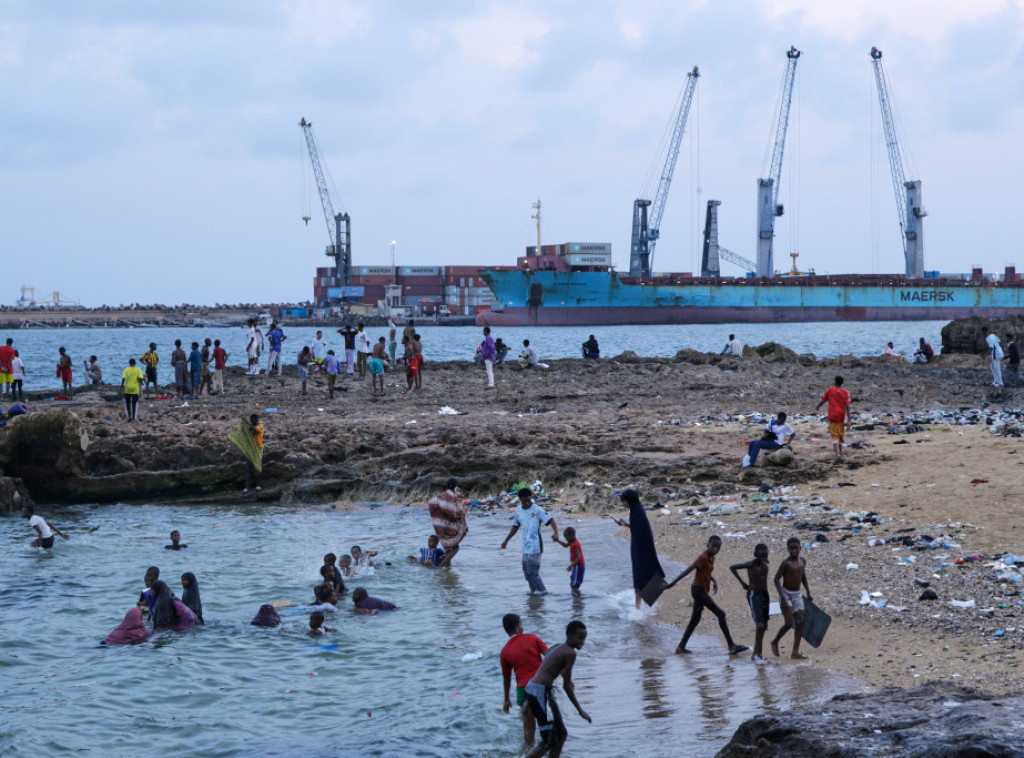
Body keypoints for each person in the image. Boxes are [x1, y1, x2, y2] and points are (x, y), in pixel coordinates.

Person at [665, 535, 748, 656]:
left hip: (701, 590)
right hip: (698, 591)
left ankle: (680, 647)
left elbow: (705, 571)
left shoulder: (711, 558)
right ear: (707, 545)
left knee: (695, 620)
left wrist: (713, 580)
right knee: (721, 614)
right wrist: (671, 584)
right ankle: (731, 646)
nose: (716, 549)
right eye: (713, 546)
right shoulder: (703, 557)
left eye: (718, 547)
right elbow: (689, 570)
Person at [523, 620, 592, 758]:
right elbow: (566, 686)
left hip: (537, 690)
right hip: (540, 692)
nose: (582, 642)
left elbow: (549, 665)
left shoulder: (557, 646)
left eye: (584, 639)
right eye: (579, 638)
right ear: (568, 635)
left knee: (561, 734)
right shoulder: (570, 653)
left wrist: (530, 699)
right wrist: (580, 710)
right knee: (549, 740)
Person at [500, 613, 548, 745]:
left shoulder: (505, 651)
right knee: (546, 724)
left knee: (528, 730)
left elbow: (507, 678)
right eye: (521, 624)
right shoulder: (532, 638)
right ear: (516, 627)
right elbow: (550, 657)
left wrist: (506, 699)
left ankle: (527, 752)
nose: (523, 627)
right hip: (540, 686)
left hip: (523, 690)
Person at [613, 489, 666, 608]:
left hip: (641, 547)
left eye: (624, 501)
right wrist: (625, 524)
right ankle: (640, 606)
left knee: (639, 576)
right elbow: (637, 527)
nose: (623, 504)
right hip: (639, 545)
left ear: (629, 500)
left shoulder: (638, 511)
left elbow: (641, 530)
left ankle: (638, 608)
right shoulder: (636, 509)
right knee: (641, 574)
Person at [501, 487, 559, 595]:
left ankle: (543, 593)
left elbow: (551, 520)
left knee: (533, 572)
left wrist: (556, 533)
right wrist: (506, 541)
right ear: (520, 499)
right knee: (527, 573)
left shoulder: (537, 510)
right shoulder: (518, 510)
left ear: (530, 497)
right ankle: (534, 594)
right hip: (525, 547)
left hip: (536, 546)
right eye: (524, 500)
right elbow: (515, 526)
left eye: (528, 500)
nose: (527, 503)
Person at [770, 537, 813, 660]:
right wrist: (782, 596)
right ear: (788, 549)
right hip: (786, 593)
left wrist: (808, 592)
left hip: (797, 593)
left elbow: (803, 576)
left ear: (800, 548)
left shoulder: (802, 561)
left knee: (800, 621)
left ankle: (795, 651)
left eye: (796, 548)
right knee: (789, 623)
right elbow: (776, 579)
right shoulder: (786, 563)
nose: (794, 550)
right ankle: (775, 641)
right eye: (791, 548)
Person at [730, 543, 771, 663]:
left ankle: (759, 653)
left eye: (765, 556)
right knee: (759, 625)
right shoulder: (751, 564)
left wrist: (764, 560)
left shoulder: (765, 563)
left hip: (765, 595)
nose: (763, 559)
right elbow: (732, 567)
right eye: (761, 557)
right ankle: (755, 655)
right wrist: (743, 583)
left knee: (764, 625)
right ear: (755, 555)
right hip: (754, 596)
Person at [427, 478, 468, 566]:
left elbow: (431, 502)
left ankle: (447, 570)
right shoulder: (454, 497)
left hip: (440, 527)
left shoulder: (441, 497)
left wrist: (440, 519)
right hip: (448, 528)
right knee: (455, 548)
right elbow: (456, 512)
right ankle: (441, 567)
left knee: (449, 550)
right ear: (456, 486)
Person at [816, 376, 852, 463]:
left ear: (835, 381)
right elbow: (847, 406)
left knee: (834, 435)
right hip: (841, 416)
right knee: (840, 435)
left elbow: (823, 400)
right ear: (842, 383)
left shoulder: (830, 390)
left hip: (833, 415)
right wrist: (849, 420)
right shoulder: (845, 392)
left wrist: (818, 406)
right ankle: (841, 454)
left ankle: (838, 455)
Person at [554, 527, 585, 596]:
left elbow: (578, 557)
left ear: (571, 536)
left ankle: (579, 598)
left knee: (574, 585)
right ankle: (575, 598)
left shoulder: (575, 545)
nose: (566, 539)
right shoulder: (572, 542)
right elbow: (565, 545)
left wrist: (572, 565)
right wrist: (557, 540)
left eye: (566, 538)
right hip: (576, 566)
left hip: (578, 566)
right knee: (572, 583)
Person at [120, 358, 144, 423]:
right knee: (134, 403)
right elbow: (140, 378)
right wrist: (141, 383)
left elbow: (123, 379)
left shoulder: (126, 369)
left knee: (127, 403)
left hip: (127, 388)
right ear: (135, 363)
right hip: (135, 389)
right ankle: (134, 418)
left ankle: (129, 416)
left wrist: (121, 389)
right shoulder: (138, 369)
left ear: (129, 363)